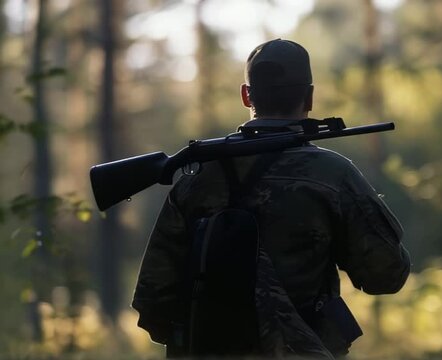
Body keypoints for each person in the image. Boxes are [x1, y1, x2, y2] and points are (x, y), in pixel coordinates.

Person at [132, 39, 411, 358]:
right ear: (309, 96)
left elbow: (154, 302)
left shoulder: (197, 177)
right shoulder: (332, 174)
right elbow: (387, 275)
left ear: (246, 95)